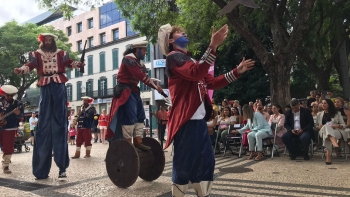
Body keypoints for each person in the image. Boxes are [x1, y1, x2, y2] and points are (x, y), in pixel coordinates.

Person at [158, 23, 255, 197]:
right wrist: (212, 46)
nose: (184, 33)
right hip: (186, 122)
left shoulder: (193, 61)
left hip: (198, 122)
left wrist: (237, 71)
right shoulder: (173, 57)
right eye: (180, 32)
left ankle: (203, 194)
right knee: (184, 164)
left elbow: (212, 82)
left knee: (206, 163)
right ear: (171, 40)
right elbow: (196, 73)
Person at [14, 33, 84, 179]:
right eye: (46, 40)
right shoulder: (36, 54)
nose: (48, 42)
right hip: (46, 85)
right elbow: (30, 65)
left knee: (59, 122)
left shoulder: (61, 54)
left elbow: (69, 62)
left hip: (58, 84)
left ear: (52, 41)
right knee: (44, 122)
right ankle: (41, 170)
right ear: (42, 41)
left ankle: (62, 167)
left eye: (50, 40)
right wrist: (21, 70)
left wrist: (78, 64)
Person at [105, 41, 163, 151]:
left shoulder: (139, 63)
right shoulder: (128, 59)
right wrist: (156, 87)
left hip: (134, 91)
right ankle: (128, 145)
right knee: (129, 117)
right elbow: (141, 76)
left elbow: (143, 75)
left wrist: (155, 86)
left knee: (140, 116)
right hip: (125, 91)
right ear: (137, 50)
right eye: (144, 50)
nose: (145, 52)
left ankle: (138, 142)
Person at [0, 85, 24, 174]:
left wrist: (18, 114)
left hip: (10, 127)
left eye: (11, 95)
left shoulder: (18, 104)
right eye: (7, 95)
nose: (9, 97)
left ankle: (5, 165)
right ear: (4, 94)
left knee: (8, 147)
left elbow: (21, 115)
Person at [316, 99, 347, 165]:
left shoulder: (337, 113)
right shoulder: (319, 114)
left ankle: (328, 157)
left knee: (328, 136)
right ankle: (335, 143)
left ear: (329, 104)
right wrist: (318, 127)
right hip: (323, 131)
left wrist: (337, 125)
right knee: (326, 127)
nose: (323, 104)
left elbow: (343, 125)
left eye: (325, 103)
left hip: (335, 131)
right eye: (322, 103)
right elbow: (316, 126)